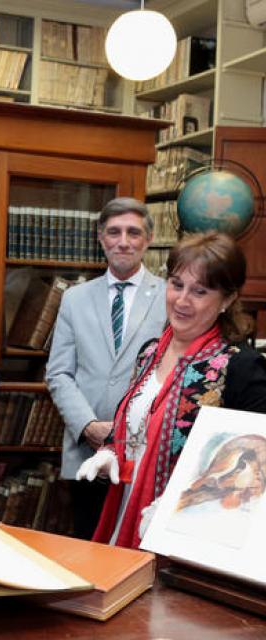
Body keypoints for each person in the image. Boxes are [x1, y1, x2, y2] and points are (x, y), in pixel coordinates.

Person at [79, 231, 266, 548]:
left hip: (188, 534)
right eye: (176, 284)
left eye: (200, 291)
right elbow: (135, 423)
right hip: (123, 508)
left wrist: (181, 507)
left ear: (228, 299)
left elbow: (253, 469)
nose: (181, 300)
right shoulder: (150, 353)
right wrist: (111, 451)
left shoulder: (241, 369)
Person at [45, 197, 166, 539]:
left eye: (133, 232)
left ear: (149, 238)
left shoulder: (169, 296)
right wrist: (87, 425)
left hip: (144, 449)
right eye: (114, 232)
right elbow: (59, 373)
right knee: (89, 548)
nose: (123, 241)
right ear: (100, 237)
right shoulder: (75, 298)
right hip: (88, 452)